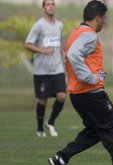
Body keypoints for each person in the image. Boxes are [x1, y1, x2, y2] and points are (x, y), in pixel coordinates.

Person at [47, 1, 113, 165]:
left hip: (78, 95)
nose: (105, 22)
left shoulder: (76, 33)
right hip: (91, 93)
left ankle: (61, 158)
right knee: (112, 129)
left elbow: (70, 55)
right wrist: (89, 77)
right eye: (104, 18)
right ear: (98, 18)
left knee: (95, 131)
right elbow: (73, 55)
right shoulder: (89, 35)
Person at [24, 0, 66, 137]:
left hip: (57, 68)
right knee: (42, 100)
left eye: (53, 4)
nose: (51, 6)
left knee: (62, 96)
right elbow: (27, 44)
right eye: (48, 4)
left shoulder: (60, 25)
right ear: (43, 8)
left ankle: (51, 122)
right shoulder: (38, 26)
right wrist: (42, 50)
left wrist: (63, 52)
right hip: (41, 70)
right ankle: (39, 129)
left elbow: (58, 43)